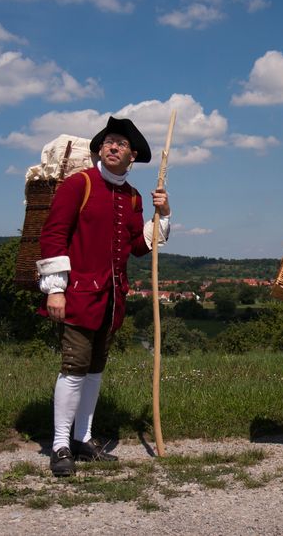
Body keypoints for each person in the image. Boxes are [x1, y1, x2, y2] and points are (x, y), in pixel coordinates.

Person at [36, 116, 171, 477]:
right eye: (109, 141)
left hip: (112, 301)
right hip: (77, 296)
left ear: (133, 156)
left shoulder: (133, 196)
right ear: (99, 149)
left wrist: (163, 216)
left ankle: (84, 438)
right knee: (74, 367)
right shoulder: (77, 185)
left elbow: (138, 247)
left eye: (121, 144)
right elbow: (53, 236)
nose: (113, 147)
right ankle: (60, 444)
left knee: (95, 370)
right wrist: (56, 289)